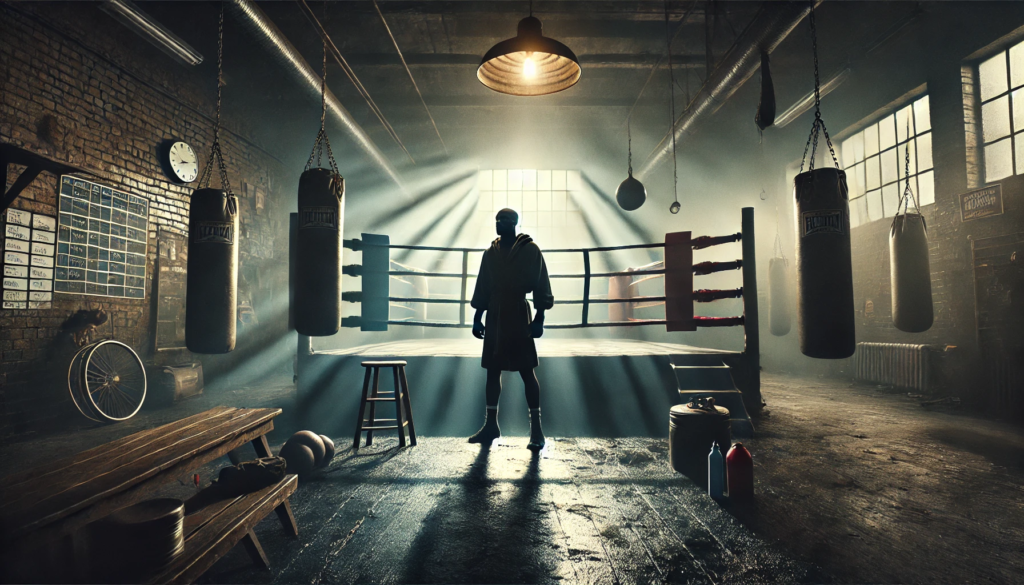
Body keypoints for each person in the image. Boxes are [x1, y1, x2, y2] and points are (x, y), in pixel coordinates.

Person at [468, 208, 554, 450]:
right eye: (497, 219)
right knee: (492, 371)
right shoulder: (490, 253)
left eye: (504, 220)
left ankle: (537, 430)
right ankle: (491, 426)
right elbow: (483, 286)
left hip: (518, 313)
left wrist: (539, 318)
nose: (499, 223)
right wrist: (477, 317)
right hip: (495, 313)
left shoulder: (530, 250)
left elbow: (541, 283)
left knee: (527, 371)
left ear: (515, 223)